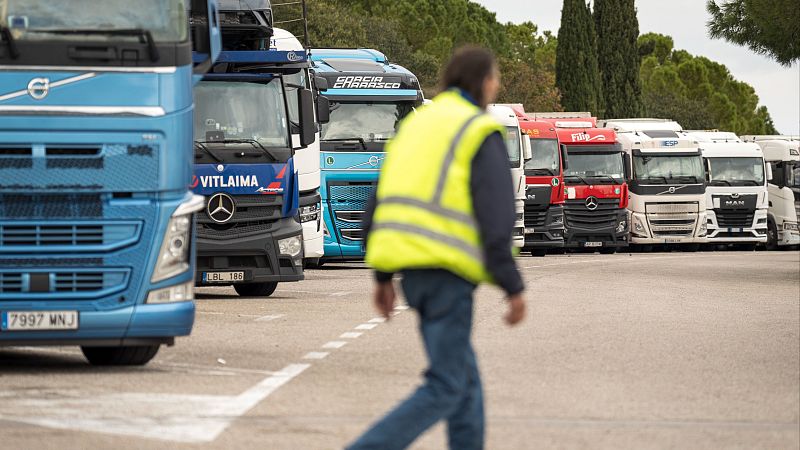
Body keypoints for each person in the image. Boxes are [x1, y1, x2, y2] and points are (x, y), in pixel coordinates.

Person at [347, 46, 526, 450]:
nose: (497, 86)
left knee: (465, 382)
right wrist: (513, 286)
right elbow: (497, 215)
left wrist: (382, 277)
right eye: (495, 78)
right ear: (483, 82)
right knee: (447, 385)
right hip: (447, 273)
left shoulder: (416, 123)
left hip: (413, 274)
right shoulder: (477, 129)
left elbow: (379, 198)